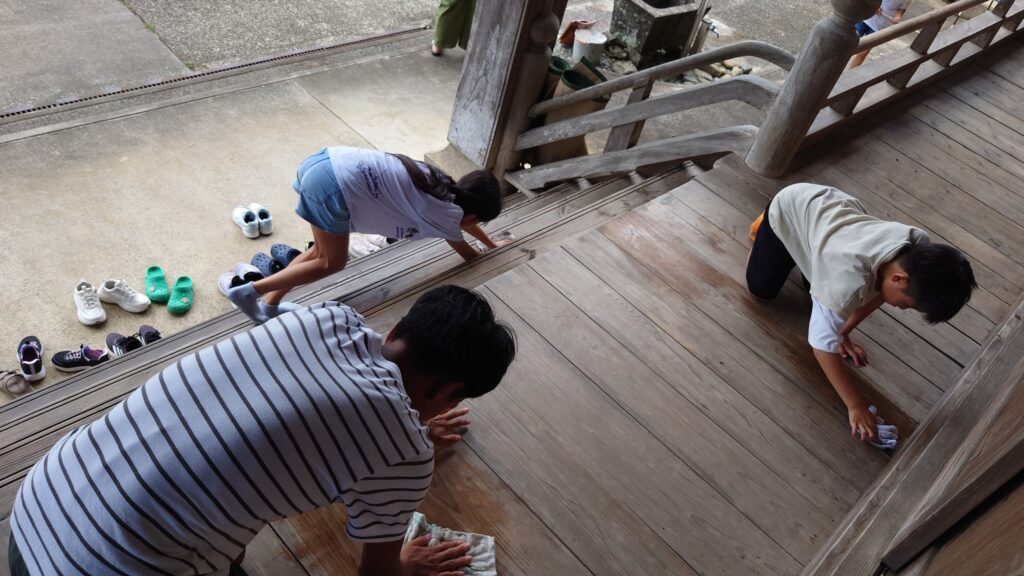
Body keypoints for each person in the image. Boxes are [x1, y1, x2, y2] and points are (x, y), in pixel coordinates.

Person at [8, 285, 515, 576]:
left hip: (41, 500)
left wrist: (408, 424)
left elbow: (307, 406)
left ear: (400, 328)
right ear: (449, 391)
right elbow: (377, 574)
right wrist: (403, 560)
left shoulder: (325, 318)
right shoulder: (405, 453)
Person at [745, 183, 975, 443]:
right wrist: (856, 405)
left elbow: (877, 295)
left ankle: (801, 255)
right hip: (790, 208)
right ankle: (764, 227)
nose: (903, 308)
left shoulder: (917, 245)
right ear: (899, 279)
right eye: (907, 305)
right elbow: (821, 347)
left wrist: (843, 333)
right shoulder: (846, 284)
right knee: (760, 289)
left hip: (831, 222)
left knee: (822, 293)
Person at [226, 146, 511, 324]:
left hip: (325, 162)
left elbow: (464, 225)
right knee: (332, 262)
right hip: (334, 186)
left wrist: (490, 243)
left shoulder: (441, 184)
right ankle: (250, 291)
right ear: (474, 215)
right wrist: (486, 252)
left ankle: (269, 305)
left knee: (318, 253)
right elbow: (465, 249)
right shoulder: (445, 214)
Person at [850, 0, 909, 67]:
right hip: (866, 18)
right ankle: (839, 64)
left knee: (862, 53)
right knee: (850, 43)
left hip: (878, 27)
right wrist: (874, 5)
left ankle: (850, 72)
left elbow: (901, 10)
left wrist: (897, 17)